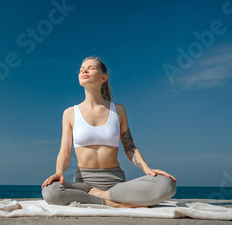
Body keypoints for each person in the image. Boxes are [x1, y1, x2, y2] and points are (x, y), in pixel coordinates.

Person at [41, 56, 177, 208]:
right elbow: (64, 151)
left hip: (115, 184)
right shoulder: (70, 113)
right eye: (81, 69)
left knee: (167, 184)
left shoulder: (118, 110)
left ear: (104, 77)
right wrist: (59, 173)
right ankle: (115, 204)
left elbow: (130, 147)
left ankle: (102, 196)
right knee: (50, 191)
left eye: (91, 68)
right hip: (84, 185)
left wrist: (147, 169)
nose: (84, 70)